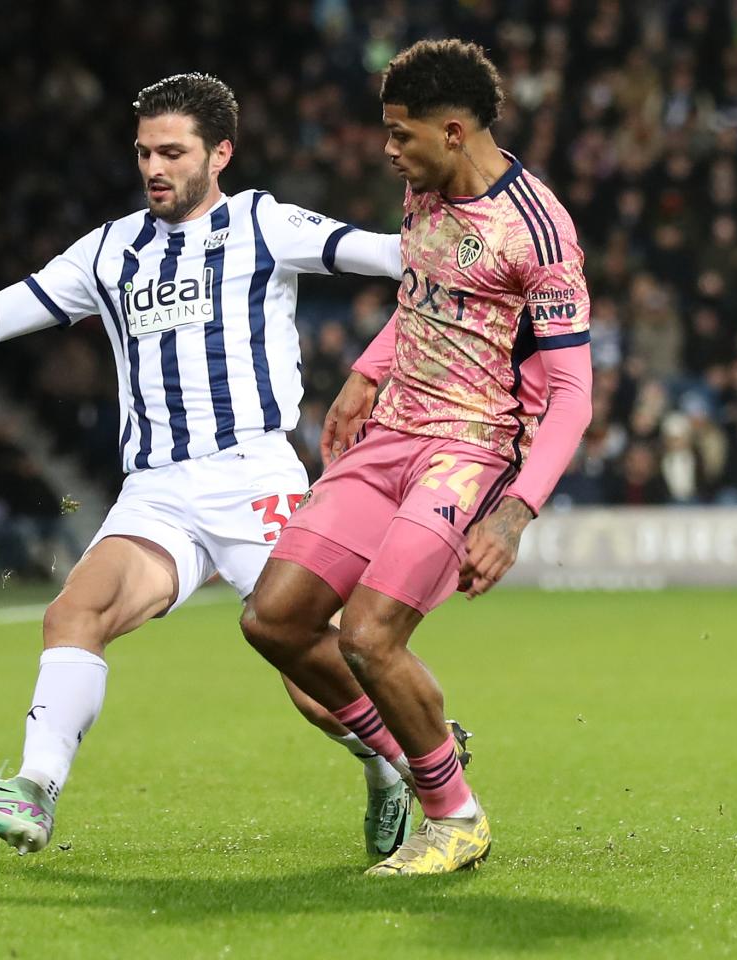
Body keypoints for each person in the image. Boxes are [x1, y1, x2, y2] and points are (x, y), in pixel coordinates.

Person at [0, 73, 449, 858]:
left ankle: (390, 765)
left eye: (173, 152)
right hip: (158, 492)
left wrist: (479, 218)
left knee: (317, 676)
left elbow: (385, 254)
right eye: (144, 153)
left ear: (221, 153)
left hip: (254, 477)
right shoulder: (109, 251)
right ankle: (34, 794)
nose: (154, 168)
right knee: (74, 614)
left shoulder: (262, 224)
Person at [241, 39, 593, 876]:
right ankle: (411, 752)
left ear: (454, 127)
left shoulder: (538, 233)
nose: (389, 151)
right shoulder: (422, 191)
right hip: (391, 430)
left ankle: (456, 817)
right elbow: (422, 297)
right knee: (275, 621)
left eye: (401, 135)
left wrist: (514, 514)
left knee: (368, 635)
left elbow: (575, 390)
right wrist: (366, 373)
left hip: (469, 449)